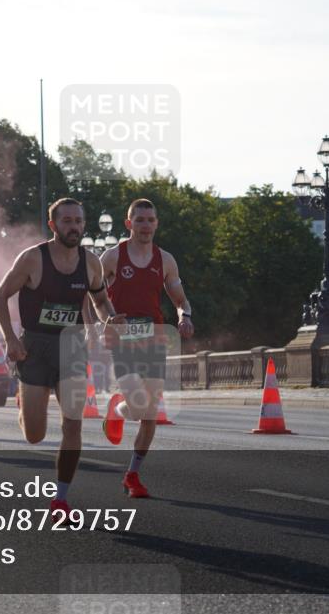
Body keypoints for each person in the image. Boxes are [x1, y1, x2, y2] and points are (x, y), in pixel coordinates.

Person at [0, 198, 123, 522]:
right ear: (53, 225)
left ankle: (61, 499)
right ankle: (26, 403)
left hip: (72, 347)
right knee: (34, 435)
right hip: (35, 348)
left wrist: (109, 318)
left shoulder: (90, 263)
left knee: (73, 423)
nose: (73, 227)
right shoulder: (33, 258)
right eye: (66, 221)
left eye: (78, 221)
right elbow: (1, 295)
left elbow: (100, 300)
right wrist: (10, 338)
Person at [100, 198, 194, 498]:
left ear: (156, 224)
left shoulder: (165, 260)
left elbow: (180, 299)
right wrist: (99, 324)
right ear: (129, 223)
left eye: (150, 220)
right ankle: (118, 408)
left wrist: (185, 317)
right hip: (122, 340)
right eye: (139, 220)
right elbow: (92, 294)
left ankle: (132, 475)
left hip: (154, 338)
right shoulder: (112, 257)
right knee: (138, 406)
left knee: (150, 413)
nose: (145, 225)